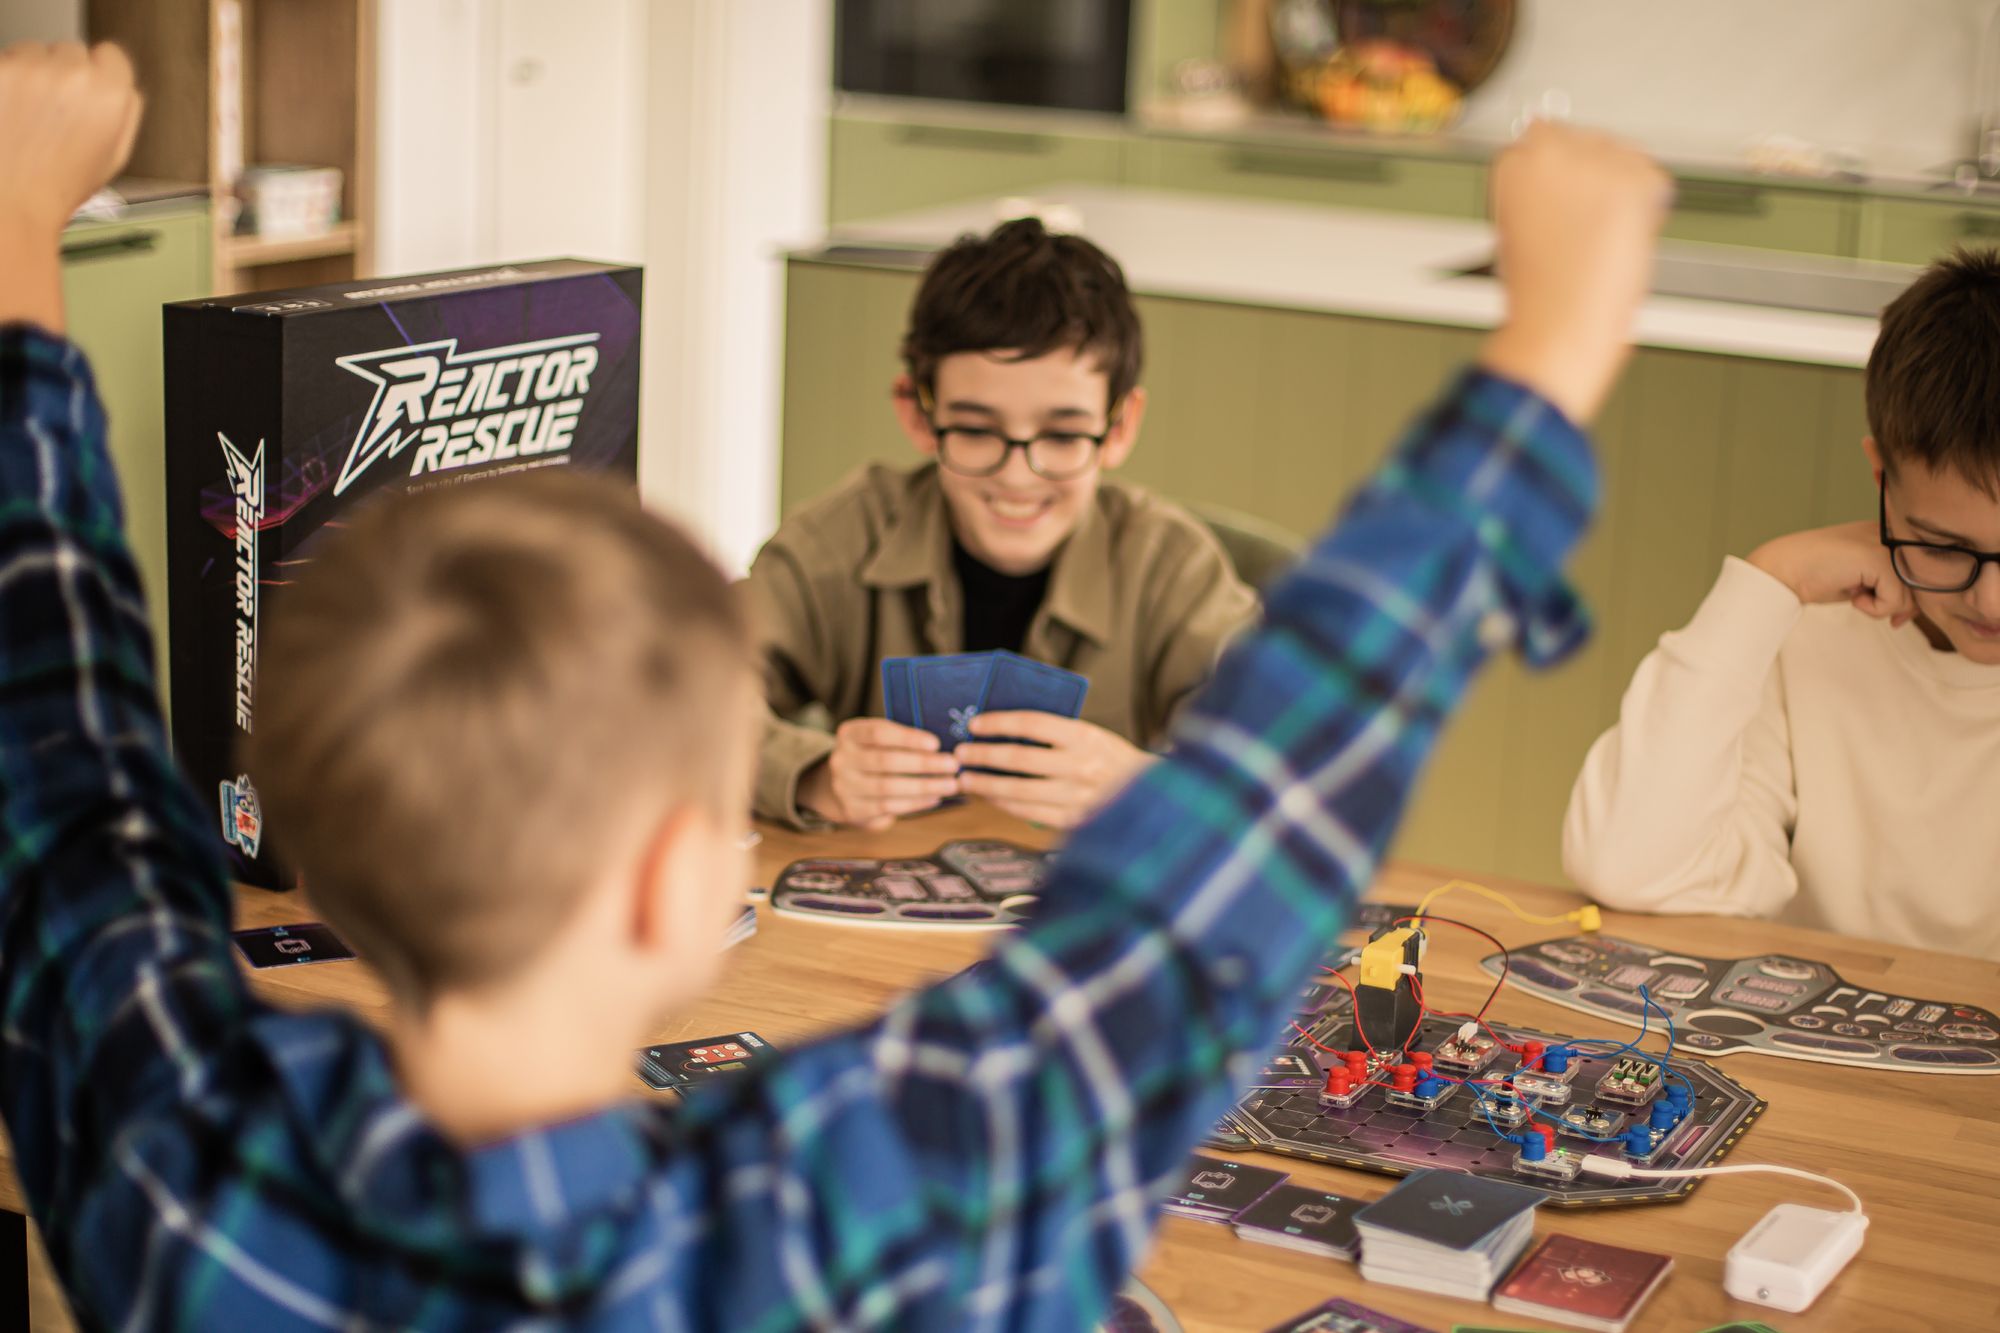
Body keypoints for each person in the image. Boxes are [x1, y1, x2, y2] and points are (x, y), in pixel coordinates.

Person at [0, 41, 1666, 1329]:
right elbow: (1254, 824)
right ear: (680, 877)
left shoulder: (166, 1136)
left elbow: (59, 736)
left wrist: (12, 218)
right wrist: (1557, 337)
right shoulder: (871, 1191)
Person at [747, 216, 1259, 831]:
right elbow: (676, 693)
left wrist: (1147, 785)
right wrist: (812, 775)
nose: (1018, 476)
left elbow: (1301, 753)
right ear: (917, 413)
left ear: (1119, 427)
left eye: (1063, 435)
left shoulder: (1171, 567)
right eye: (975, 430)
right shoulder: (839, 541)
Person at [1562, 250, 2000, 961]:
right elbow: (1628, 865)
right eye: (1943, 546)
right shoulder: (1807, 636)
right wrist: (1770, 579)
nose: (1991, 600)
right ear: (1882, 479)